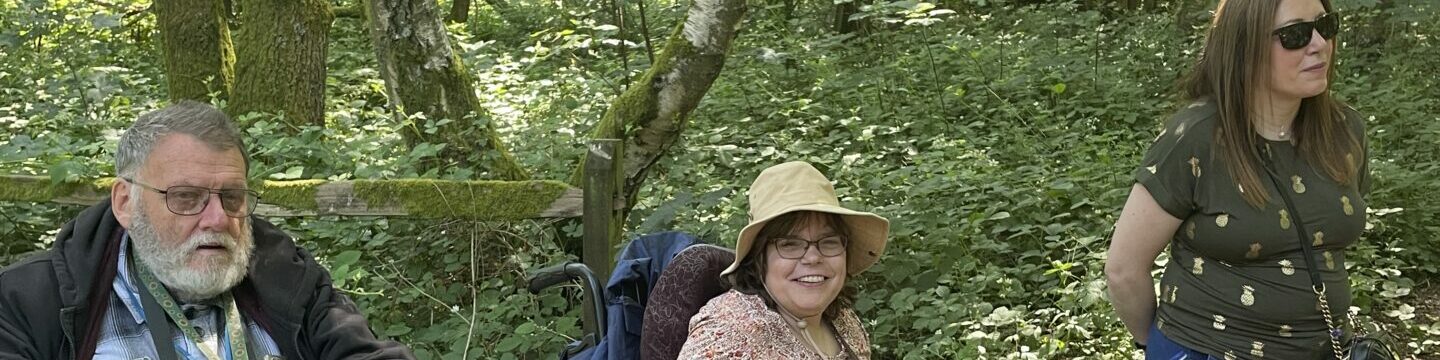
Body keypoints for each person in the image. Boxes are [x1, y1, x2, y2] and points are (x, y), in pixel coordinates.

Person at [0, 101, 414, 359]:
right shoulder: (29, 302)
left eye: (232, 197)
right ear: (126, 202)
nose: (218, 219)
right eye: (185, 197)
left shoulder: (289, 281)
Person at [1104, 0, 1369, 358]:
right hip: (1207, 349)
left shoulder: (1343, 130)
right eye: (1295, 34)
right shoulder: (1196, 137)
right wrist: (1156, 346)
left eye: (1326, 25)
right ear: (1245, 47)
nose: (1320, 43)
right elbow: (1123, 269)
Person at [677, 161, 889, 359]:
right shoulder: (728, 335)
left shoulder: (842, 319)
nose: (813, 257)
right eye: (790, 244)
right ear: (759, 256)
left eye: (828, 241)